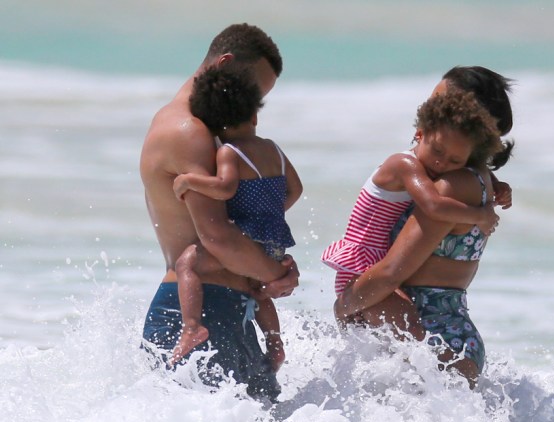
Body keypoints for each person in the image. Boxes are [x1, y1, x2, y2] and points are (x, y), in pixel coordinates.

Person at [140, 24, 298, 402]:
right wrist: (277, 274)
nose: (252, 104)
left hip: (224, 308)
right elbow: (217, 236)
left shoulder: (203, 131)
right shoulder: (191, 133)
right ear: (224, 65)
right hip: (197, 314)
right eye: (254, 91)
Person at [334, 66, 515, 388]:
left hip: (433, 343)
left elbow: (390, 273)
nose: (428, 110)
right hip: (457, 341)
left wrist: (344, 306)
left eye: (438, 101)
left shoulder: (448, 188)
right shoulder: (474, 182)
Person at [169, 62, 302, 373]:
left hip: (247, 238)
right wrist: (271, 212)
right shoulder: (274, 150)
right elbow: (295, 189)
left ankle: (191, 328)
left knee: (186, 264)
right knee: (257, 290)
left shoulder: (230, 152)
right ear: (254, 115)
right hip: (275, 240)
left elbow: (225, 187)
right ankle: (276, 344)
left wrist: (189, 181)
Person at [321, 89, 502, 297]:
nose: (441, 163)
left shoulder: (425, 169)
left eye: (455, 161)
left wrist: (496, 184)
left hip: (375, 265)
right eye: (437, 150)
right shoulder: (404, 164)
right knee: (412, 326)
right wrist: (480, 215)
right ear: (419, 134)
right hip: (360, 267)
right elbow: (433, 205)